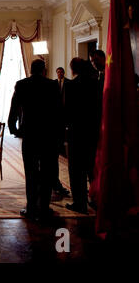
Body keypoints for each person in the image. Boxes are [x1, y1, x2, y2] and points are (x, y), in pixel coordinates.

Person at [8, 59, 60, 221]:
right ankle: (44, 207)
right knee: (47, 172)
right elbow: (59, 111)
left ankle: (31, 207)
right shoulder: (52, 84)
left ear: (30, 69)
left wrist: (14, 128)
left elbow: (14, 108)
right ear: (44, 70)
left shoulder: (21, 84)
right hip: (48, 134)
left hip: (29, 133)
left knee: (30, 172)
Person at [65, 58, 99, 214]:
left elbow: (69, 111)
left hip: (76, 132)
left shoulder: (72, 85)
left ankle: (80, 203)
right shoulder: (96, 83)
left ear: (73, 69)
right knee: (92, 168)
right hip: (93, 131)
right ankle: (96, 199)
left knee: (76, 170)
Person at [52, 67, 71, 197]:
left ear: (63, 73)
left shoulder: (69, 83)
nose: (59, 74)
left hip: (66, 110)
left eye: (61, 72)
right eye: (58, 72)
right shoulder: (53, 84)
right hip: (57, 113)